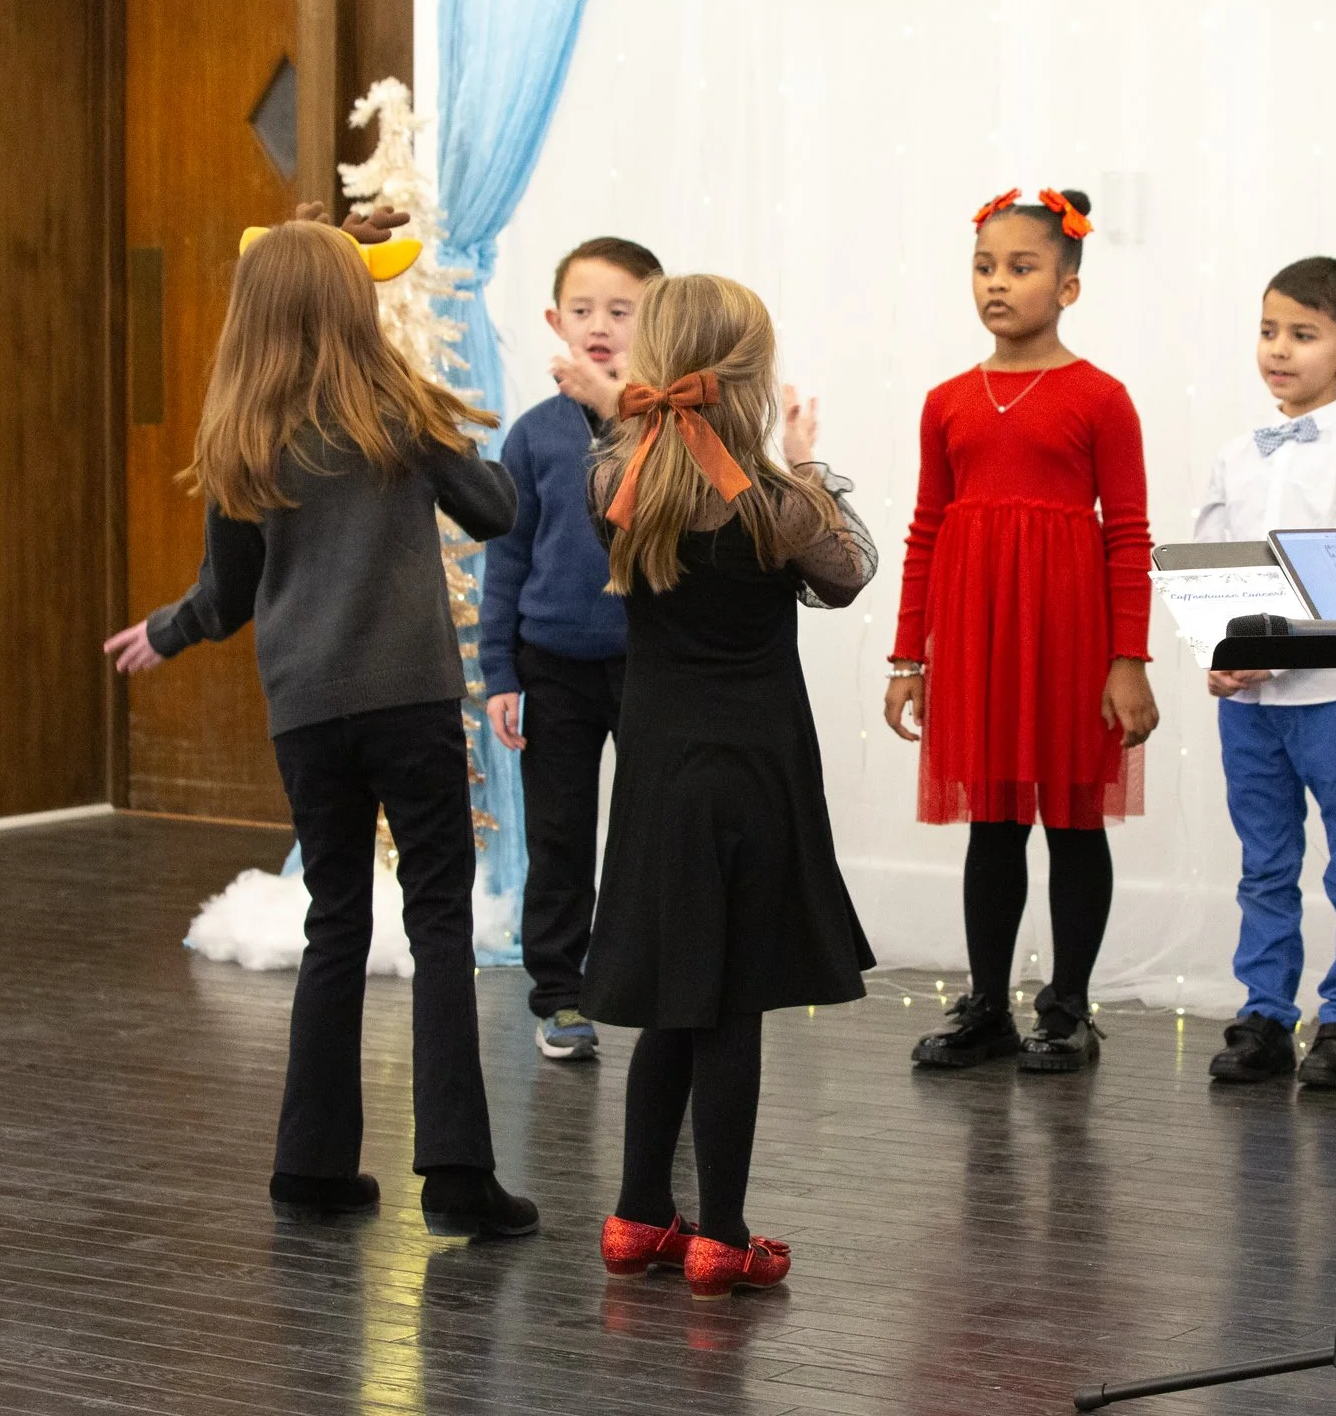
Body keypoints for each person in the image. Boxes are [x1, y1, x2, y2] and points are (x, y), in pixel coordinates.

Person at [103, 218, 539, 1240]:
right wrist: (436, 424)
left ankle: (309, 1165)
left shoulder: (241, 432)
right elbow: (497, 508)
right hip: (409, 701)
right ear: (354, 306)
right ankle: (457, 1174)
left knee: (334, 916)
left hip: (305, 711)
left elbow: (231, 590)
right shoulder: (398, 411)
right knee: (438, 920)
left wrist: (169, 631)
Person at [582, 273, 877, 1299]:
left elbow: (644, 493)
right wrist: (805, 462)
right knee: (731, 1004)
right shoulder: (777, 506)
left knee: (674, 993)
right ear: (748, 379)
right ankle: (723, 1233)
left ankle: (635, 1215)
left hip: (657, 771)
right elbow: (847, 575)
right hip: (754, 772)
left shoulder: (610, 483)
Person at [891, 188, 1159, 1075]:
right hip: (976, 637)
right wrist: (908, 656)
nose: (997, 284)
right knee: (993, 826)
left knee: (1075, 822)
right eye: (983, 267)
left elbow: (1128, 533)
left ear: (1068, 286)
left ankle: (1070, 1008)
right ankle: (987, 1006)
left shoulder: (1102, 399)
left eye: (1020, 267)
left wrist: (1129, 658)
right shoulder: (945, 402)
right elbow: (926, 530)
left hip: (1069, 638)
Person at [1194, 257, 1336, 1090]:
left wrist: (1283, 647)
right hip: (1249, 703)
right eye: (1270, 331)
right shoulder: (1235, 454)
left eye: (1304, 335)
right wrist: (1221, 650)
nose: (1280, 350)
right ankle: (1266, 1014)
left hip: (1335, 696)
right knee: (1265, 860)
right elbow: (1208, 563)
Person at [480, 237, 664, 1062]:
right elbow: (507, 557)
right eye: (582, 311)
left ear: (652, 319)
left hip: (650, 663)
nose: (600, 327)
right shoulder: (532, 437)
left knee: (655, 828)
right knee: (559, 832)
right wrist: (500, 673)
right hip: (552, 664)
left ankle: (660, 979)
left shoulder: (668, 428)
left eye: (620, 312)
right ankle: (559, 992)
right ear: (555, 321)